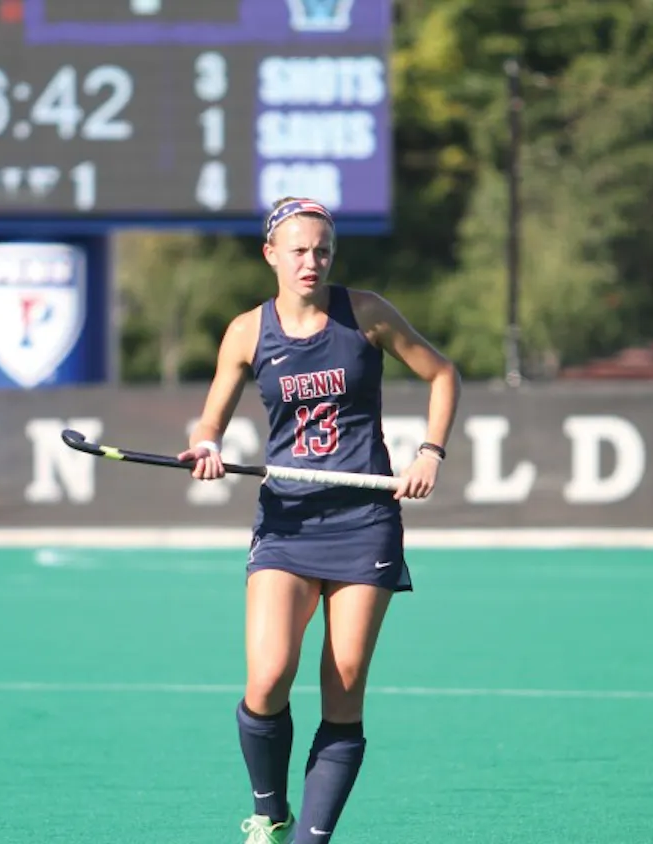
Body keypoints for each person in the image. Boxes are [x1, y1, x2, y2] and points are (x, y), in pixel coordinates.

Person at [177, 196, 460, 843]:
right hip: (288, 523)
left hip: (364, 523)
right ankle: (270, 809)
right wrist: (209, 445)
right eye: (299, 250)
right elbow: (210, 417)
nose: (313, 261)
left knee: (345, 686)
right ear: (271, 254)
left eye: (323, 250)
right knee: (269, 675)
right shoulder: (248, 332)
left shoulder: (365, 314)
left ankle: (311, 838)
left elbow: (443, 374)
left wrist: (430, 450)